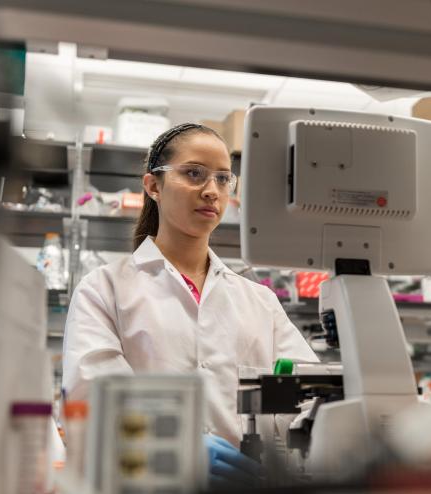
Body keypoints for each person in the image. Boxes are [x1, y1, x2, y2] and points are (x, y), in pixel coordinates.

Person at [62, 123, 318, 484]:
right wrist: (178, 446)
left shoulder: (259, 301)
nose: (212, 191)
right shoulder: (104, 288)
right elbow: (91, 400)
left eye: (223, 179)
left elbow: (308, 398)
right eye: (194, 174)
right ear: (153, 186)